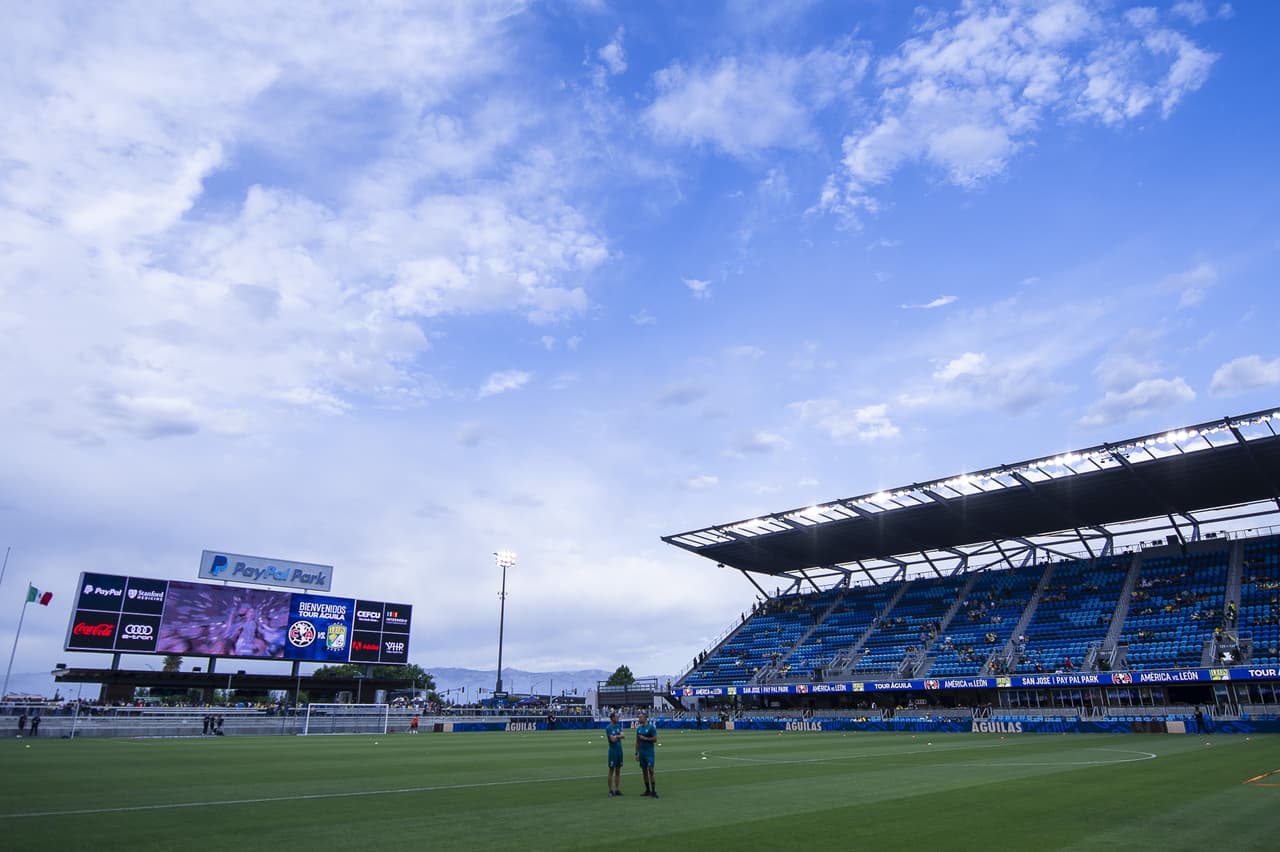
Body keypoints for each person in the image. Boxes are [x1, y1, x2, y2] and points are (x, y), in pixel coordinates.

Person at [634, 710, 658, 797]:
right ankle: (647, 790)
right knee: (644, 771)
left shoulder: (651, 728)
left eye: (641, 717)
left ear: (645, 718)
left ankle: (653, 791)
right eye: (639, 717)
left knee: (651, 770)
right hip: (642, 753)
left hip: (649, 753)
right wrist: (636, 753)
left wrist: (645, 738)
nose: (639, 718)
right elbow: (637, 742)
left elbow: (655, 739)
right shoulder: (639, 729)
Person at [605, 711, 625, 797]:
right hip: (613, 751)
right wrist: (618, 736)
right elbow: (612, 740)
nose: (618, 718)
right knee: (611, 770)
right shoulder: (608, 728)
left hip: (619, 750)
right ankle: (610, 790)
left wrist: (616, 736)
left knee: (618, 770)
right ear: (612, 718)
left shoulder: (618, 726)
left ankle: (617, 789)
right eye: (616, 717)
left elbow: (623, 736)